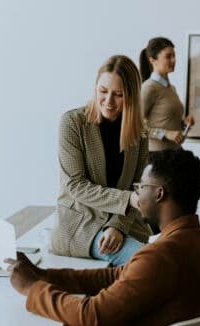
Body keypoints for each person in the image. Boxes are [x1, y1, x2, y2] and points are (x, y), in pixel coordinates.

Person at [5, 149, 200, 326]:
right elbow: (114, 276)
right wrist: (42, 275)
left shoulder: (162, 256)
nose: (138, 195)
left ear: (159, 193)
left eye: (141, 187)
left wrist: (31, 289)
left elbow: (90, 317)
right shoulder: (196, 241)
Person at [49, 55, 151, 266]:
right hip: (82, 225)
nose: (108, 101)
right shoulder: (73, 123)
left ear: (131, 96)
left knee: (167, 260)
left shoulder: (139, 132)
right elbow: (76, 186)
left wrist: (117, 226)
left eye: (118, 94)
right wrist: (127, 200)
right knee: (150, 264)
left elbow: (138, 186)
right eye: (103, 91)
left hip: (124, 223)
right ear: (95, 87)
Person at [139, 37, 195, 152]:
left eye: (174, 56)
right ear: (152, 60)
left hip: (174, 155)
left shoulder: (171, 88)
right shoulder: (149, 88)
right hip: (156, 157)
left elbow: (172, 127)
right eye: (168, 56)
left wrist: (185, 125)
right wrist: (165, 133)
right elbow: (135, 126)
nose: (173, 60)